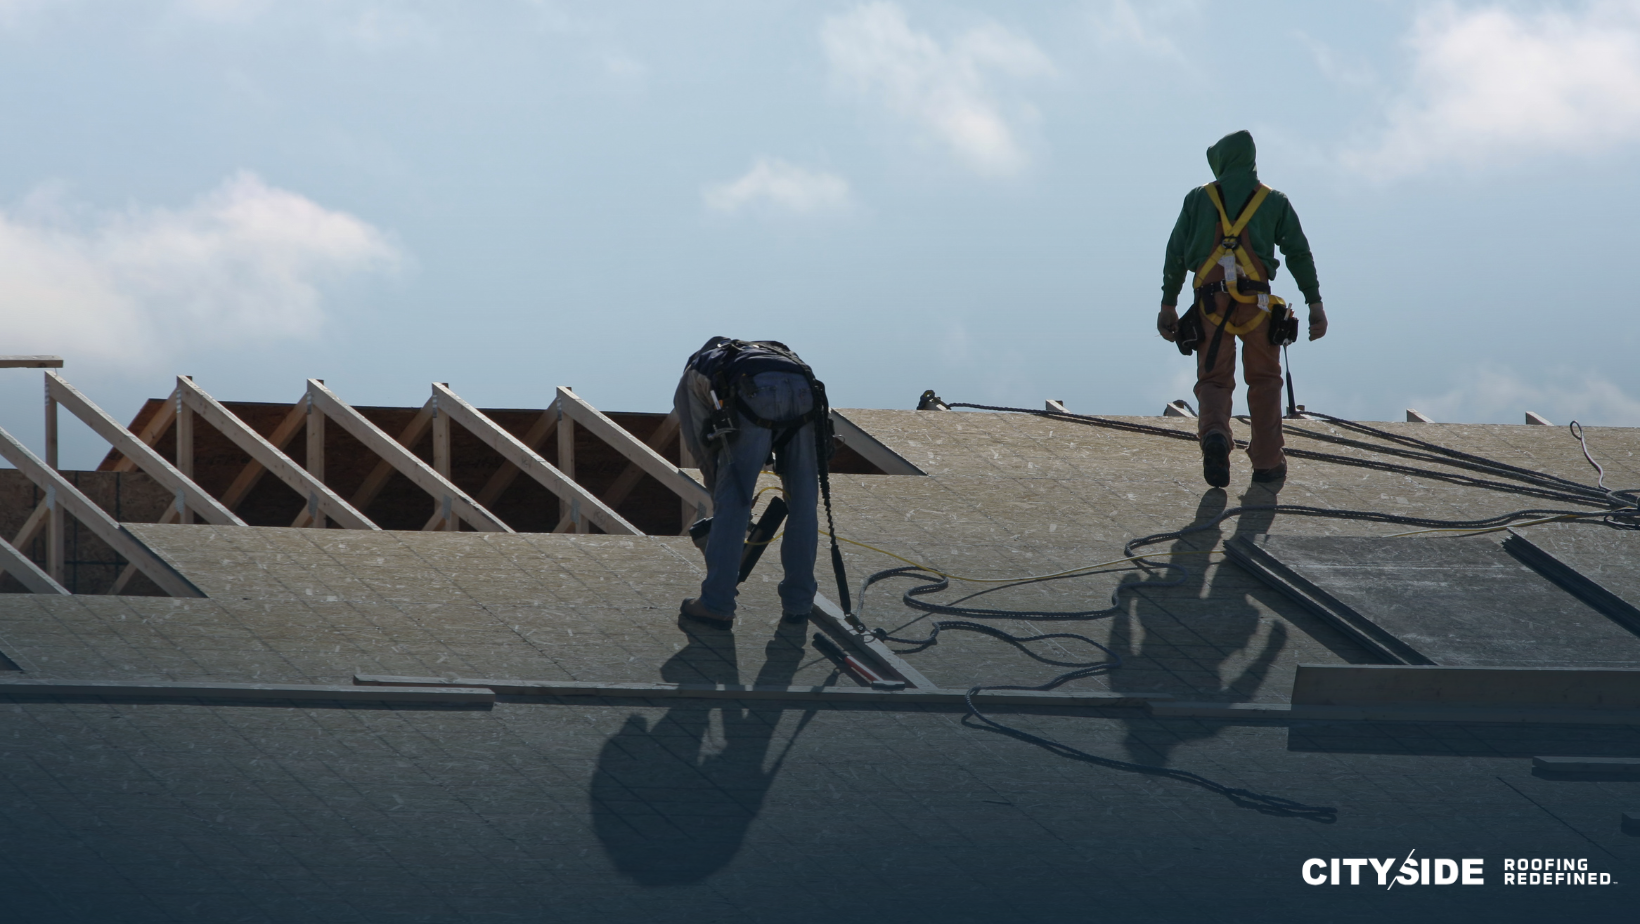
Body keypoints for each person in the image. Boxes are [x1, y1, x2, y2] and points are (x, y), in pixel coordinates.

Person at [1156, 130, 1326, 487]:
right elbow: (1298, 252)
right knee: (1265, 381)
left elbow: (1175, 253)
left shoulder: (1198, 199)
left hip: (1210, 303)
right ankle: (1266, 461)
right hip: (1258, 305)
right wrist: (1314, 303)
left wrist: (1168, 304)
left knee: (1215, 380)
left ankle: (1216, 433)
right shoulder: (1273, 201)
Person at [673, 337, 827, 627]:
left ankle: (716, 604)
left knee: (734, 501)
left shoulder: (694, 373)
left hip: (755, 390)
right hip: (806, 389)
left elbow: (702, 449)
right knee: (804, 502)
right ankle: (799, 603)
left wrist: (724, 502)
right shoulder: (768, 352)